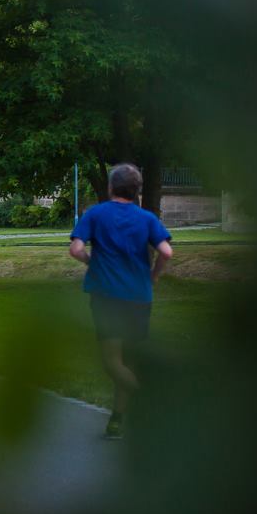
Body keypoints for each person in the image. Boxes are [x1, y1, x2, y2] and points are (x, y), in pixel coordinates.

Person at [69, 163, 173, 440]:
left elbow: (76, 249)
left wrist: (91, 261)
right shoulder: (147, 218)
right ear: (137, 190)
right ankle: (117, 421)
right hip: (140, 297)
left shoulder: (96, 214)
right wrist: (154, 275)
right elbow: (166, 251)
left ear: (111, 187)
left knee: (112, 362)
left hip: (107, 295)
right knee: (129, 360)